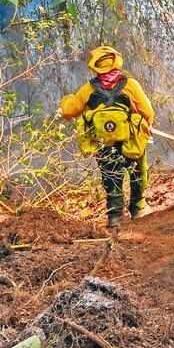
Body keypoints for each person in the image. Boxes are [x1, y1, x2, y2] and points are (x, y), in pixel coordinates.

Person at [61, 46, 154, 229]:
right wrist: (147, 125)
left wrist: (69, 99)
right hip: (130, 140)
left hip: (104, 143)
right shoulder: (130, 85)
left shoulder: (88, 89)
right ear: (116, 62)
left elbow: (68, 111)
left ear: (95, 66)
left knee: (110, 176)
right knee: (138, 172)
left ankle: (115, 217)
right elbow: (147, 111)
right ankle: (138, 208)